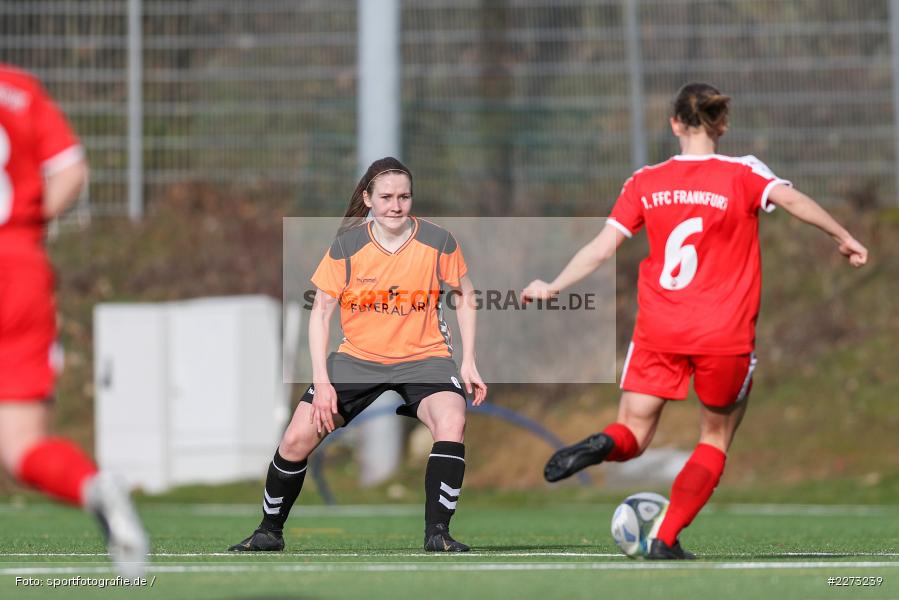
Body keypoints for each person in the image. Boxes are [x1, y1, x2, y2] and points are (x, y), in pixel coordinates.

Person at [522, 82, 868, 559]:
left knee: (634, 433)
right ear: (720, 124)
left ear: (674, 125)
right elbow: (791, 200)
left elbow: (603, 247)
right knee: (715, 437)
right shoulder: (743, 173)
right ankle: (665, 539)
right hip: (722, 333)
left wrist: (554, 285)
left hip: (659, 329)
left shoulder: (644, 180)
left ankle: (604, 443)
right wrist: (842, 236)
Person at [230, 156, 487, 553]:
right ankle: (269, 531)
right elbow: (320, 314)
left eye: (404, 196)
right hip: (357, 358)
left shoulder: (439, 241)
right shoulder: (347, 246)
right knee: (297, 438)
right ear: (368, 198)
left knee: (452, 421)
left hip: (426, 357)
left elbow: (466, 295)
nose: (395, 205)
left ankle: (438, 534)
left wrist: (468, 360)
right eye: (386, 196)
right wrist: (321, 380)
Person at [0, 64, 148, 575]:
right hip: (17, 265)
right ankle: (92, 486)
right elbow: (70, 171)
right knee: (22, 445)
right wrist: (21, 230)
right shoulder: (18, 90)